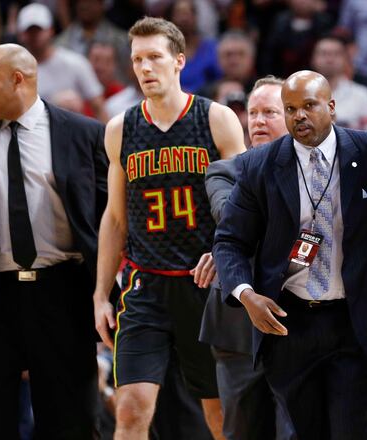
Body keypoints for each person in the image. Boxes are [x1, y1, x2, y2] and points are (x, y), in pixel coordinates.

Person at [213, 70, 367, 440]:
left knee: (348, 430)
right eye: (290, 108)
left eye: (309, 106)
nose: (299, 116)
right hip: (288, 319)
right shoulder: (259, 165)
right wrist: (247, 296)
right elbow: (230, 242)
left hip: (355, 317)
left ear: (331, 107)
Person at [92, 16, 245, 440]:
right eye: (137, 59)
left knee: (220, 416)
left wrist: (226, 251)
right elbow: (115, 217)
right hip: (146, 287)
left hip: (205, 287)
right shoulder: (120, 129)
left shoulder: (216, 119)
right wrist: (101, 294)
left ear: (179, 61)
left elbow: (245, 207)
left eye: (154, 57)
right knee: (130, 410)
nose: (144, 68)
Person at [0, 43, 107, 439]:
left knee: (71, 423)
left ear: (18, 80)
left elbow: (109, 219)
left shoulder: (84, 134)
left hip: (62, 292)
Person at [200, 75, 292, 440]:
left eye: (269, 112)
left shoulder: (320, 171)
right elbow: (231, 219)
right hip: (236, 328)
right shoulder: (223, 170)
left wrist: (225, 249)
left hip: (300, 321)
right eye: (252, 112)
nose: (257, 121)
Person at [16, 3, 108, 122]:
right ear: (21, 35)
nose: (34, 36)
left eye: (38, 30)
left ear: (51, 31)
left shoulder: (76, 63)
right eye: (30, 31)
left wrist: (107, 138)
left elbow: (98, 106)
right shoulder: (16, 72)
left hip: (75, 132)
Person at [311, 35, 367, 134]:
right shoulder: (300, 94)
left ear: (345, 59)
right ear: (313, 59)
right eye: (324, 54)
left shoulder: (363, 94)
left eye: (336, 54)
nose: (330, 59)